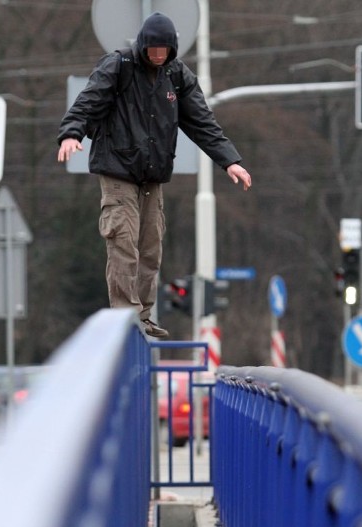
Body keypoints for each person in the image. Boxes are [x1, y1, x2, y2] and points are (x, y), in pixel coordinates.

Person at [57, 11, 252, 339]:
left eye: (164, 51)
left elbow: (202, 122)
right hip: (118, 168)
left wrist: (229, 161)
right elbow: (87, 103)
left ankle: (143, 316)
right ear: (144, 47)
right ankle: (124, 316)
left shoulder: (177, 76)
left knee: (151, 246)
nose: (158, 56)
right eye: (153, 51)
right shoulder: (118, 67)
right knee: (124, 239)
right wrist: (71, 133)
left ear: (172, 50)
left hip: (151, 175)